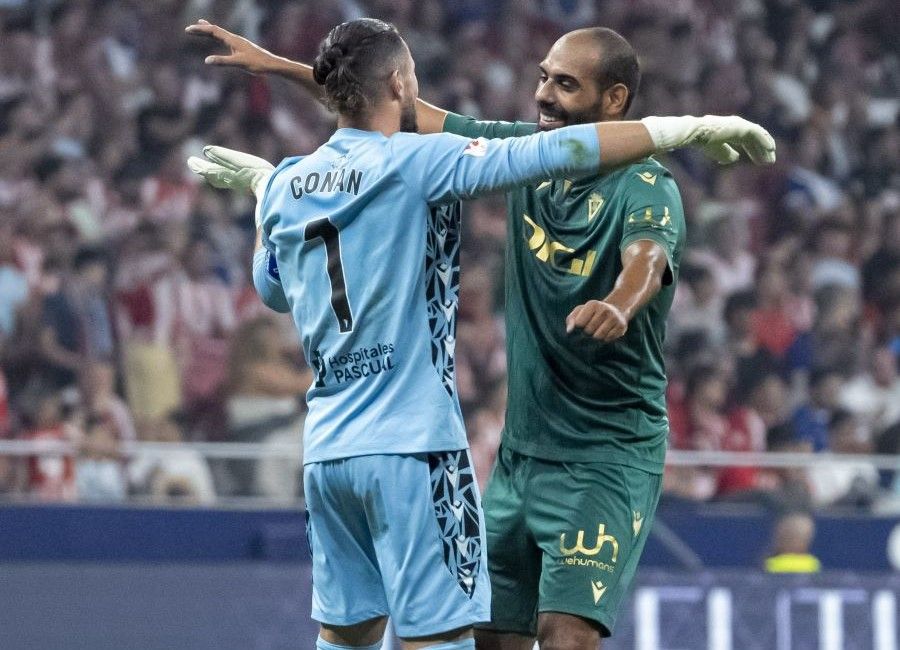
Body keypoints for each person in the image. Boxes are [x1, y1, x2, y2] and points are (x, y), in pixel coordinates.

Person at [187, 18, 774, 650]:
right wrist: (696, 128)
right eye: (543, 78)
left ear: (614, 100)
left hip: (351, 447)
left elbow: (648, 258)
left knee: (360, 634)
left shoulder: (289, 181)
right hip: (428, 446)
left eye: (565, 84)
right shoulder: (435, 160)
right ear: (399, 82)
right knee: (448, 637)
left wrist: (264, 178)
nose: (544, 94)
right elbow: (496, 139)